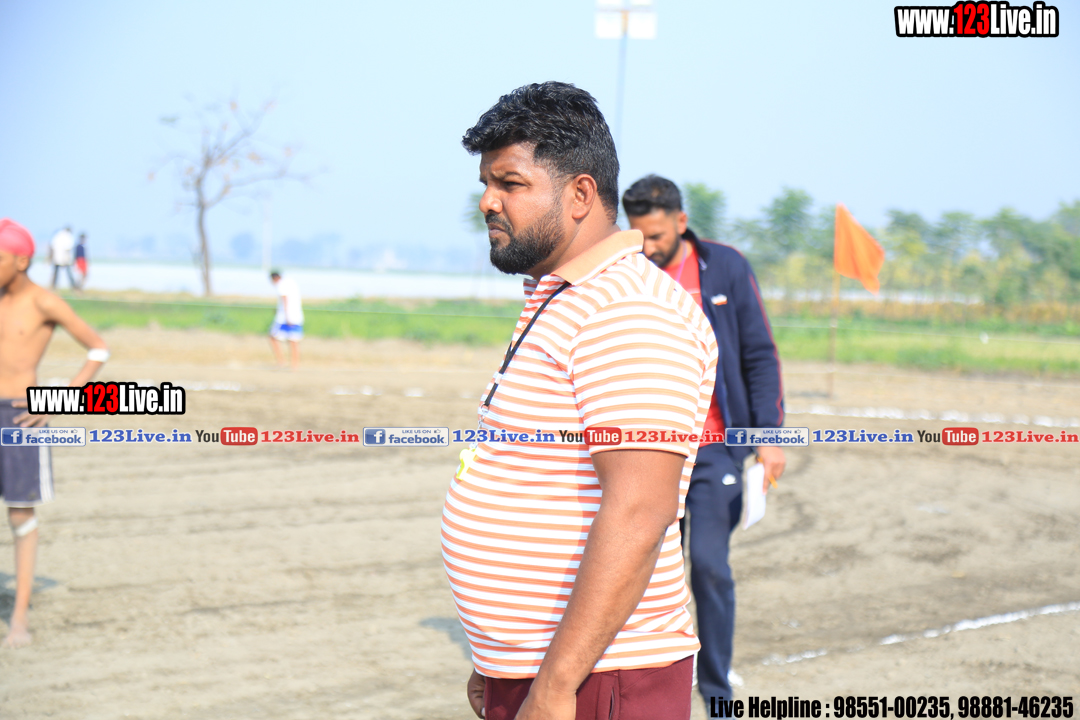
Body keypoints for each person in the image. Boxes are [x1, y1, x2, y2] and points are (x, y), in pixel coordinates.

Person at [445, 82, 719, 720]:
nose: (487, 201)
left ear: (579, 195)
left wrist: (555, 684)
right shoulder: (566, 297)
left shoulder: (629, 311)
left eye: (510, 183)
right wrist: (500, 654)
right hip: (547, 670)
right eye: (486, 183)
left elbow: (639, 511)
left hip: (601, 679)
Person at [622, 175, 786, 710]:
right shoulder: (626, 273)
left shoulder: (726, 267)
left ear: (681, 222)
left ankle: (717, 692)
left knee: (710, 565)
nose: (648, 247)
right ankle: (643, 684)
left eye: (657, 236)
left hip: (717, 448)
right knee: (643, 570)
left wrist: (768, 437)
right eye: (639, 236)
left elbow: (759, 354)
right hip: (653, 449)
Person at [0, 218, 109, 648]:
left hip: (18, 419)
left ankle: (19, 618)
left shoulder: (45, 302)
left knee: (20, 516)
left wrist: (59, 400)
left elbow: (98, 348)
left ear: (20, 261)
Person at [268, 270, 303, 370]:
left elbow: (285, 299)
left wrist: (287, 315)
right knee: (294, 340)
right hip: (297, 316)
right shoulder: (291, 282)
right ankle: (294, 365)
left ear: (275, 278)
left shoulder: (281, 285)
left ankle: (281, 361)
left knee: (273, 337)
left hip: (284, 318)